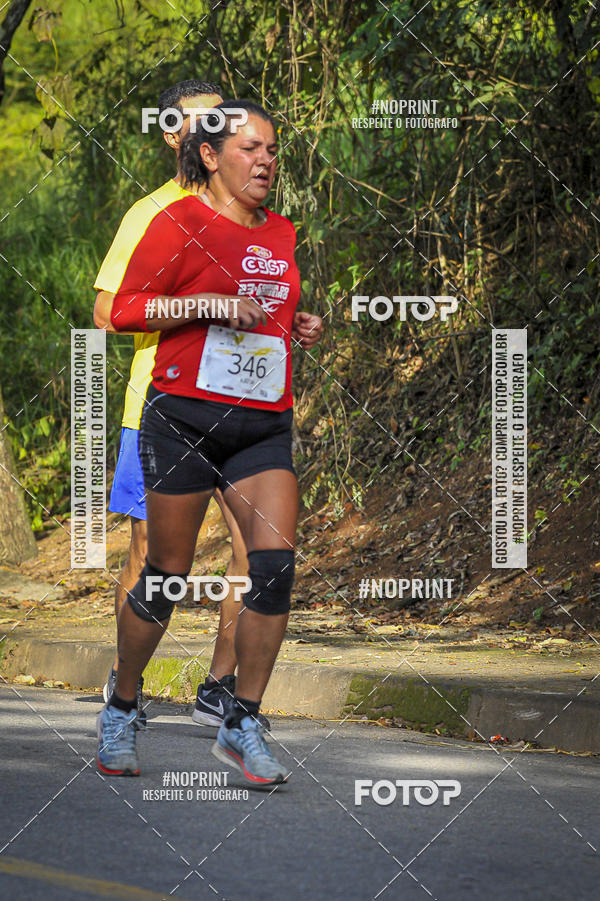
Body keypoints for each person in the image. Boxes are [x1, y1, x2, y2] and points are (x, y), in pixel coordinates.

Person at [95, 99, 322, 784]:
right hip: (184, 417)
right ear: (210, 156)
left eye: (273, 150)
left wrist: (294, 325)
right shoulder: (176, 222)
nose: (265, 161)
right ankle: (122, 702)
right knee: (164, 574)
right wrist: (206, 303)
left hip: (260, 422)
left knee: (275, 564)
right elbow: (123, 312)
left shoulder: (281, 230)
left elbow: (264, 309)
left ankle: (241, 720)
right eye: (251, 148)